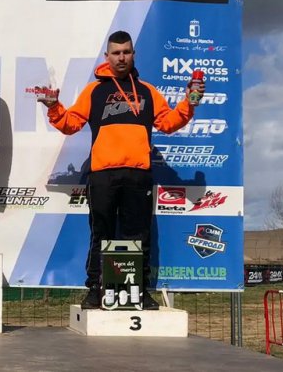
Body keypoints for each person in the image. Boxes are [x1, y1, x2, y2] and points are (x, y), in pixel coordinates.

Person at [39, 30, 205, 310]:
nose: (121, 57)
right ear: (107, 56)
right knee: (100, 234)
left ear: (133, 54)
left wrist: (189, 103)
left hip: (138, 174)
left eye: (126, 52)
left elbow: (168, 123)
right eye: (116, 53)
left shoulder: (147, 91)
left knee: (139, 236)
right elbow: (70, 124)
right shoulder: (94, 91)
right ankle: (95, 290)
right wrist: (54, 106)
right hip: (102, 174)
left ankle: (139, 291)